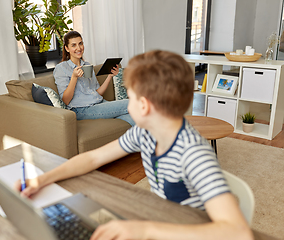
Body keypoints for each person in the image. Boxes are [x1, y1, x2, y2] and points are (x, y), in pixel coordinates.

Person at [15, 50, 254, 240]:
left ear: (144, 106)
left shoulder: (193, 153)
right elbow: (92, 158)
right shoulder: (144, 133)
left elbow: (238, 233)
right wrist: (43, 179)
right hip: (164, 222)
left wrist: (145, 231)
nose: (126, 103)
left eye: (130, 96)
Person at [53, 31, 134, 126]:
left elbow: (97, 93)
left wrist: (110, 76)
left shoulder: (87, 66)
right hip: (81, 109)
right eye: (73, 45)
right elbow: (65, 101)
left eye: (80, 43)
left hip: (99, 103)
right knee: (132, 103)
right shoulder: (61, 68)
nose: (78, 48)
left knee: (132, 117)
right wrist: (74, 77)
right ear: (67, 48)